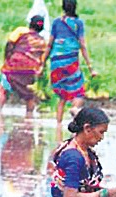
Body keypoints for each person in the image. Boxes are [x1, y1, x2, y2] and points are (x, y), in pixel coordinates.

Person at [40, 0, 98, 128]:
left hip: (56, 63)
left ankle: (58, 127)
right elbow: (82, 45)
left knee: (62, 96)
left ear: (63, 7)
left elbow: (49, 44)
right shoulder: (78, 23)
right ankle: (75, 109)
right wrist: (90, 67)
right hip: (70, 61)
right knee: (78, 91)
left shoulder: (56, 22)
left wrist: (42, 64)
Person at [0, 15, 46, 120]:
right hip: (31, 70)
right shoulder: (42, 41)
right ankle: (29, 116)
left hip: (13, 66)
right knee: (29, 95)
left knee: (2, 89)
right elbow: (42, 59)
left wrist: (7, 59)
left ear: (30, 23)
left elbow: (9, 44)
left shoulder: (21, 31)